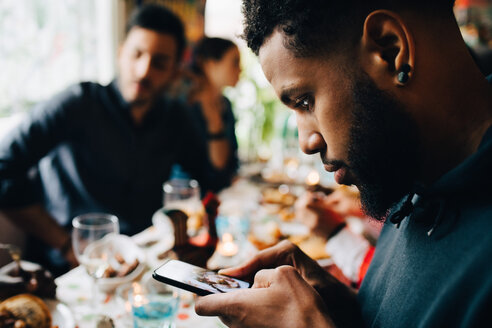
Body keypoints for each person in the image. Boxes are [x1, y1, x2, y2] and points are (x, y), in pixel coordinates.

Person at [194, 0, 492, 327]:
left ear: (390, 50)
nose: (307, 141)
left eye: (305, 101)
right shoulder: (413, 173)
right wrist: (340, 309)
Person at [0, 4, 233, 275]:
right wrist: (66, 246)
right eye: (137, 54)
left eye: (159, 62)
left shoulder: (175, 118)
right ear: (120, 53)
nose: (144, 70)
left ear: (174, 70)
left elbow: (214, 181)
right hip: (66, 268)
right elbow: (4, 167)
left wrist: (212, 115)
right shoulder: (77, 103)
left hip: (141, 264)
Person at [170, 37, 241, 181]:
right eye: (235, 62)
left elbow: (230, 161)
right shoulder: (186, 104)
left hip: (222, 192)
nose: (240, 69)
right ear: (210, 64)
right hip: (189, 193)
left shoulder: (225, 104)